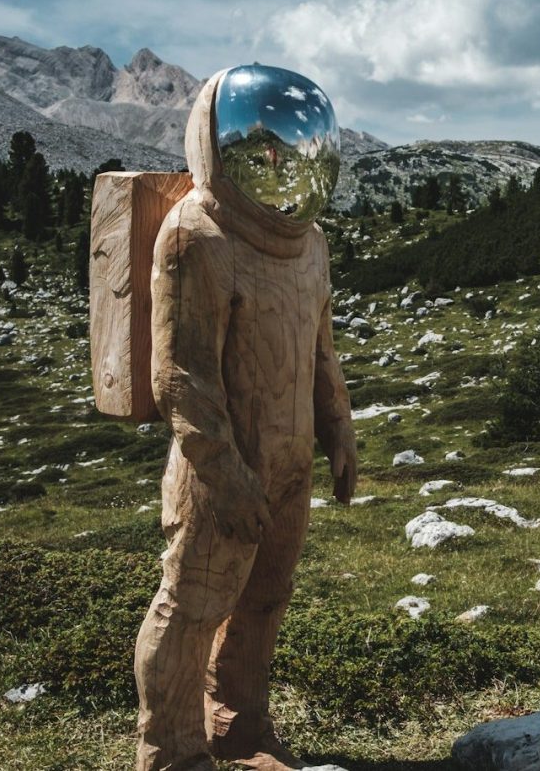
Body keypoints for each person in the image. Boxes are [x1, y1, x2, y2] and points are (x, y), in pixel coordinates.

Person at [133, 65, 356, 771]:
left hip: (289, 465)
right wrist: (223, 470)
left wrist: (338, 428)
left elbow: (321, 350)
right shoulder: (197, 236)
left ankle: (240, 724)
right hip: (219, 469)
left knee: (266, 598)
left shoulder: (309, 245)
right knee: (192, 605)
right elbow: (180, 373)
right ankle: (171, 750)